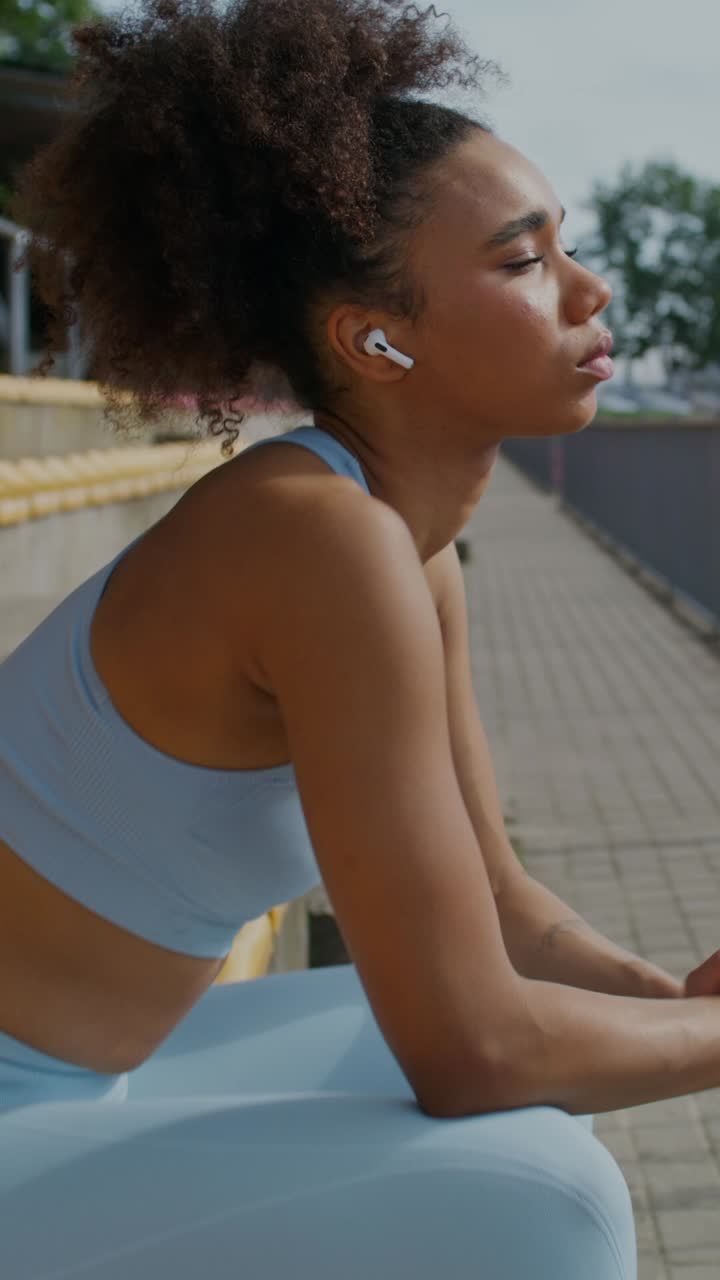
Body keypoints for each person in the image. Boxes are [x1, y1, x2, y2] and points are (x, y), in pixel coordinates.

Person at [2, 0, 719, 1275]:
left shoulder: (403, 545)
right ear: (374, 338)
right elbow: (470, 1049)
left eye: (569, 246)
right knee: (548, 1194)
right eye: (523, 260)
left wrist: (672, 1006)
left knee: (536, 1089)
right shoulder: (317, 544)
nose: (591, 289)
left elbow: (500, 912)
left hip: (93, 1078)